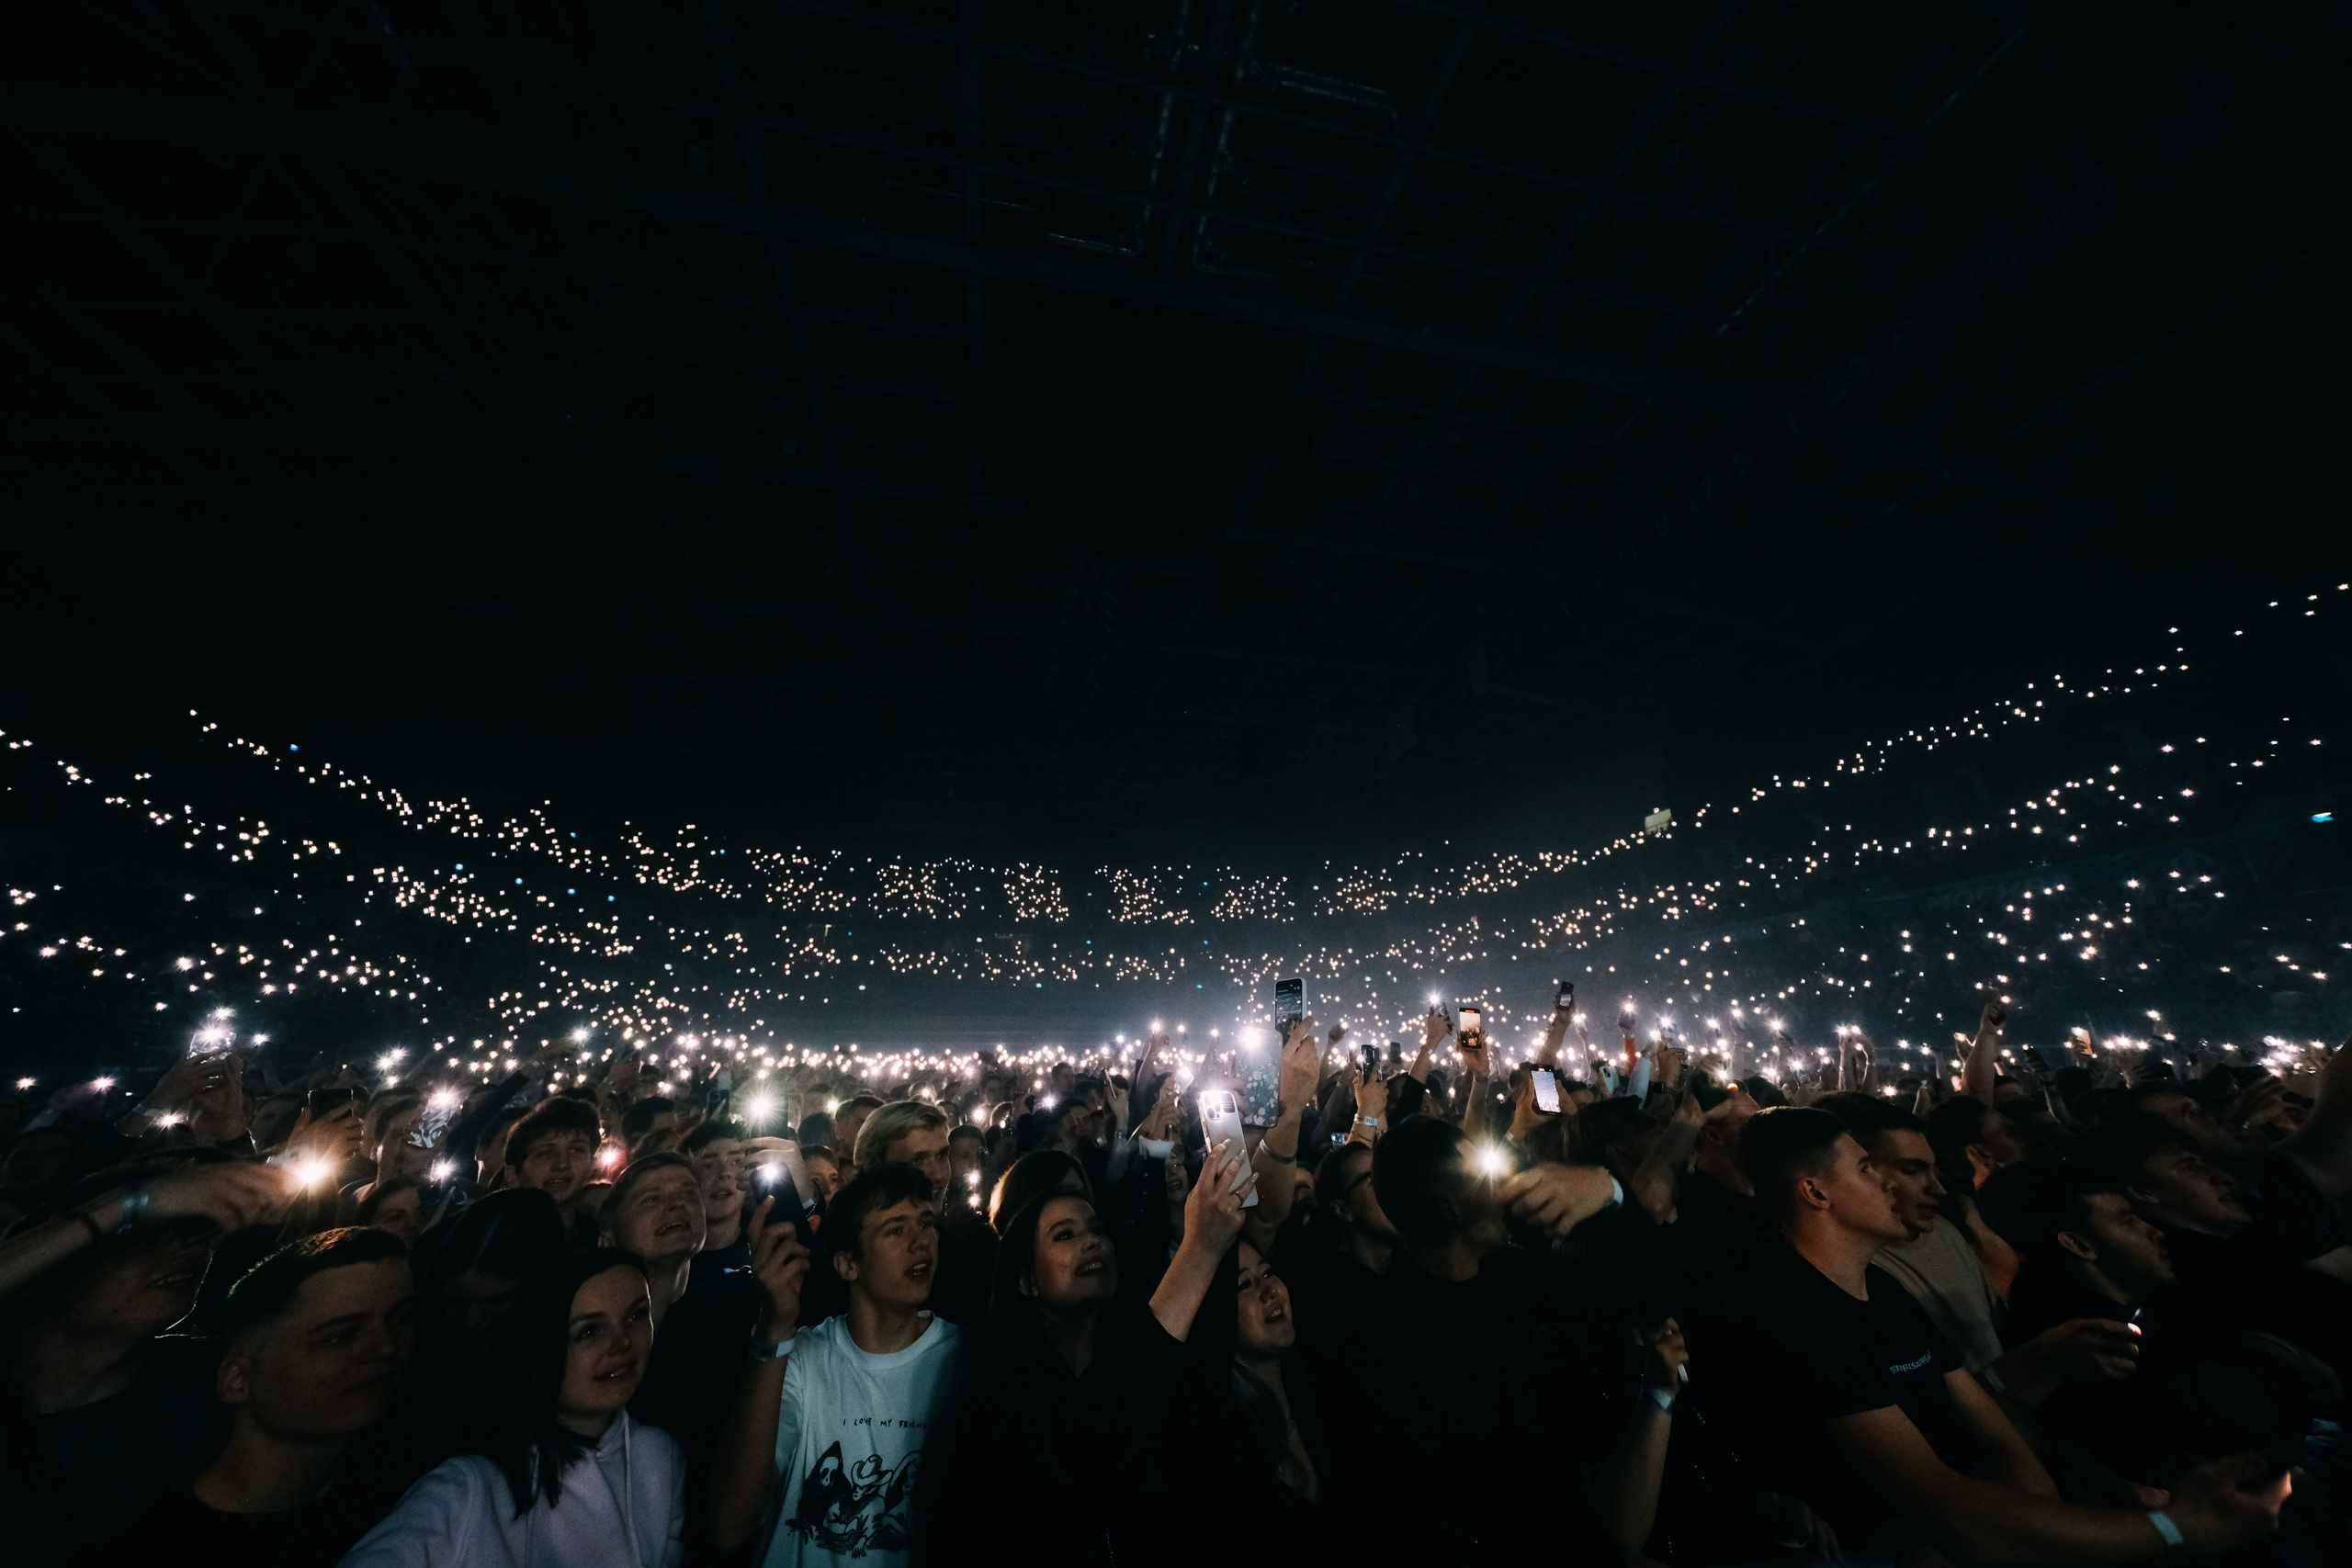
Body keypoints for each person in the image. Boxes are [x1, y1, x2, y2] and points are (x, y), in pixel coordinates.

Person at [1726, 1106, 2288, 1563]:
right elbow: (1936, 1499)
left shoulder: (1880, 1287)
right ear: (1816, 1194)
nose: (1891, 1185)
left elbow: (1997, 1436)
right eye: (1867, 1170)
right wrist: (2173, 1531)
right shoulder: (1795, 1308)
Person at [919, 1141, 1257, 1566]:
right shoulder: (994, 1401)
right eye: (1065, 1235)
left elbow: (1203, 1366)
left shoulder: (1134, 1356)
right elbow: (1093, 1435)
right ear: (1026, 1280)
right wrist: (1200, 1248)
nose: (1092, 1243)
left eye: (1098, 1230)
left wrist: (1223, 1234)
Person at [0, 1159, 294, 1566]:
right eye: (142, 1237)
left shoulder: (215, 1380)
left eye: (194, 1233)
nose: (191, 1250)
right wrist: (128, 1204)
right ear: (43, 1275)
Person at [344, 1252, 686, 1568]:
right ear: (535, 1353)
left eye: (637, 1315)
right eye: (589, 1331)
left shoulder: (660, 1457)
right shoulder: (469, 1488)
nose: (622, 1342)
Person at [102, 1227, 418, 1568]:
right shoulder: (161, 1550)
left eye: (402, 1319)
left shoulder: (407, 1493)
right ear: (238, 1381)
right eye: (340, 1336)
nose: (386, 1347)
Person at [708, 1163, 963, 1567]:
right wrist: (774, 1326)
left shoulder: (965, 1358)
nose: (922, 1243)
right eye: (895, 1230)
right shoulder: (803, 1359)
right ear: (847, 1265)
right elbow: (731, 1523)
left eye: (926, 1223)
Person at [852, 1100, 992, 1325]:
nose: (936, 1174)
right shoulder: (849, 1260)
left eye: (941, 1155)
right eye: (917, 1160)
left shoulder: (973, 1268)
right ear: (875, 1167)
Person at [599, 1154, 706, 1327]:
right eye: (651, 1199)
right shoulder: (593, 1329)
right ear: (608, 1241)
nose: (677, 1203)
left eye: (689, 1193)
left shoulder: (727, 1307)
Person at [503, 1100, 605, 1247]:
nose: (562, 1164)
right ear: (512, 1175)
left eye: (577, 1150)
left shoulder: (599, 1239)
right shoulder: (489, 1237)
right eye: (545, 1153)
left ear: (592, 1164)